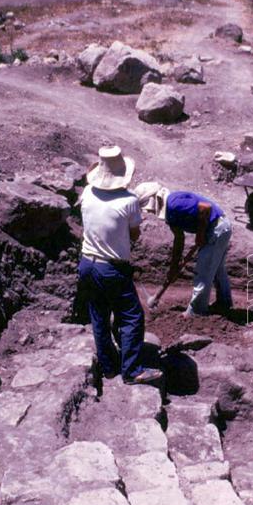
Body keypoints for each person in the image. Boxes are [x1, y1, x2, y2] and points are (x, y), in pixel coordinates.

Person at [78, 146, 161, 385]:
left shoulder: (87, 193)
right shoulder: (129, 200)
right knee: (131, 316)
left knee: (99, 315)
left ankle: (108, 366)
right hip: (111, 267)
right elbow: (134, 235)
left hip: (87, 263)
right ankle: (132, 370)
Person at [134, 183, 232, 317]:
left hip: (217, 228)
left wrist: (200, 234)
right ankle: (224, 303)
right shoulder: (170, 213)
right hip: (216, 228)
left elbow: (205, 208)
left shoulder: (174, 203)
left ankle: (197, 311)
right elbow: (179, 238)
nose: (149, 212)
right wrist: (173, 267)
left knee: (204, 271)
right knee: (216, 269)